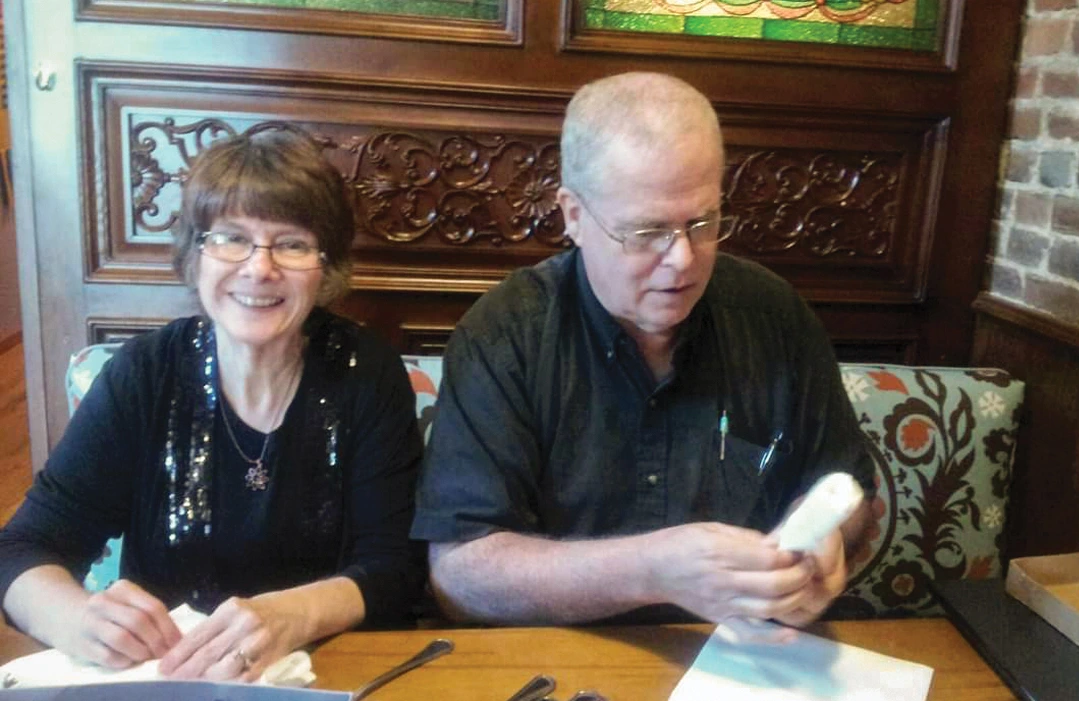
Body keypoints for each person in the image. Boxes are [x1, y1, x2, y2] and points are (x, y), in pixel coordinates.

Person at [411, 73, 874, 629]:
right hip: (567, 663)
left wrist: (821, 540)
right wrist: (650, 569)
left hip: (751, 659)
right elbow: (460, 576)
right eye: (647, 232)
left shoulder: (775, 317)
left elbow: (849, 488)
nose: (682, 259)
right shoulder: (507, 336)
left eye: (702, 223)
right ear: (574, 216)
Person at [0, 129, 424, 680]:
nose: (259, 267)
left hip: (325, 677)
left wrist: (289, 616)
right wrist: (81, 618)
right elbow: (22, 549)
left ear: (325, 266)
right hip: (168, 680)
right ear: (195, 254)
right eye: (230, 238)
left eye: (292, 243)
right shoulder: (143, 375)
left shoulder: (368, 374)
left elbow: (397, 568)